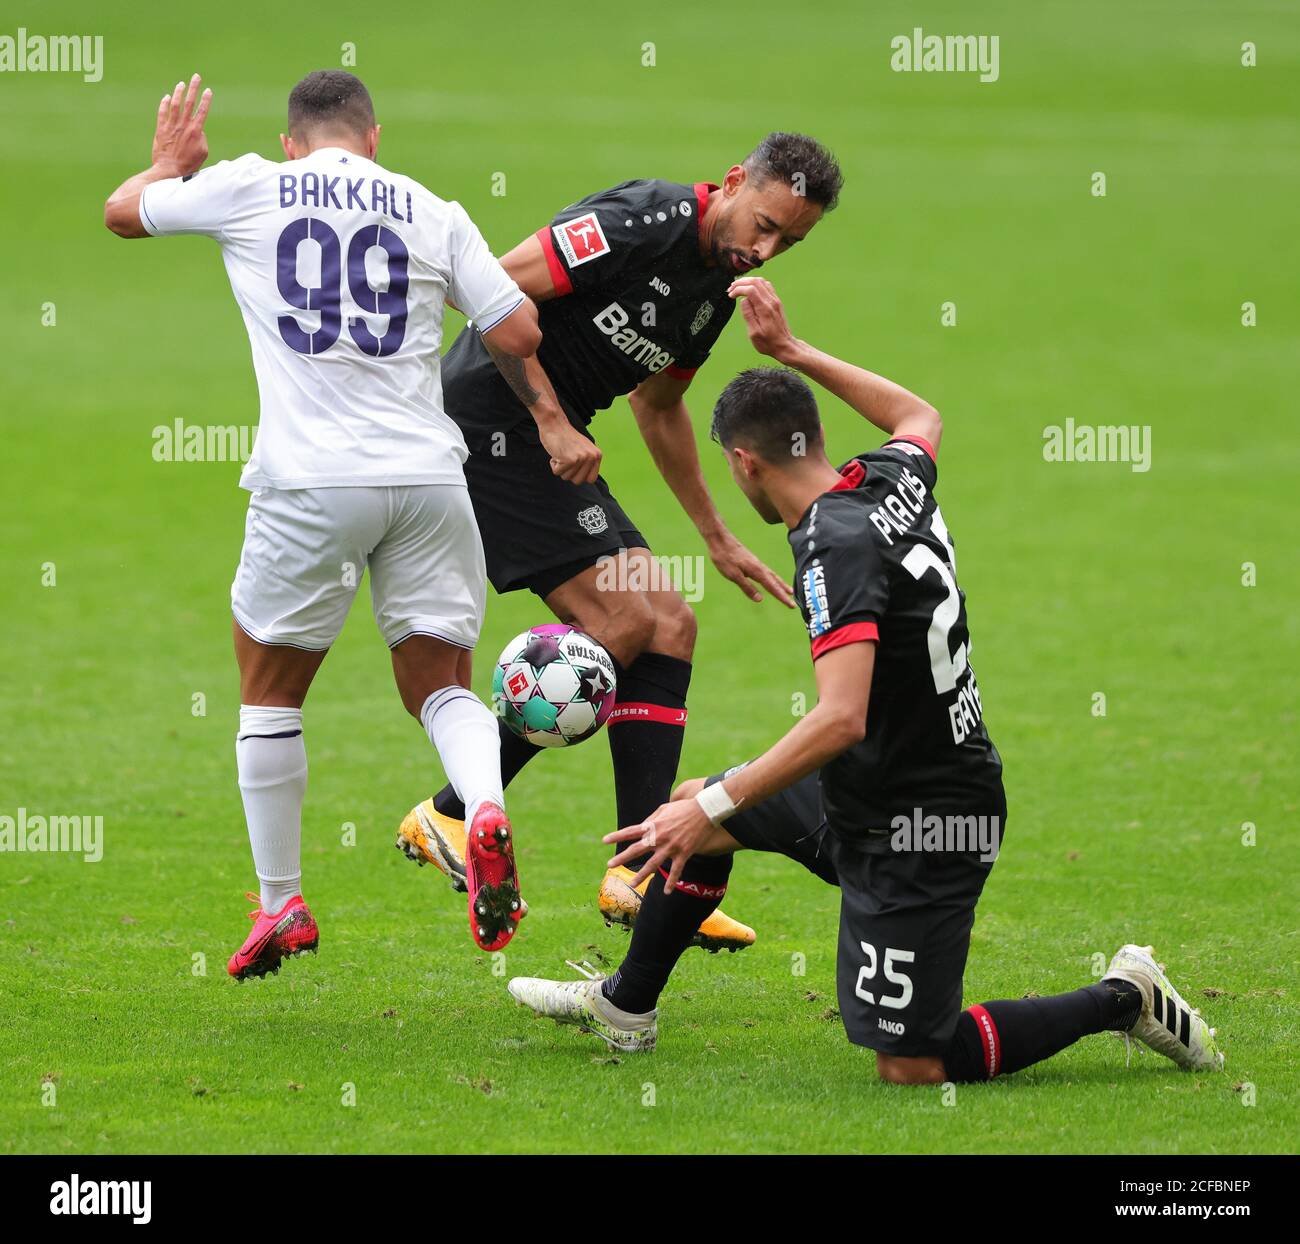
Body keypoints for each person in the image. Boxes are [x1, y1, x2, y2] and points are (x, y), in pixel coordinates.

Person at [508, 278, 1225, 1085]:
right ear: (810, 440)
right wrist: (790, 349)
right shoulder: (885, 479)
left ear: (744, 463)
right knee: (687, 814)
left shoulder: (833, 550)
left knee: (913, 1064)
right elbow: (921, 416)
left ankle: (1123, 996)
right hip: (869, 783)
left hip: (926, 820)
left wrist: (722, 797)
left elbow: (841, 716)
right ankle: (626, 1005)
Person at [105, 70, 542, 974]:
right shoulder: (430, 206)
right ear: (374, 137)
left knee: (269, 691)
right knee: (438, 683)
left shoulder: (250, 182)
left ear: (295, 139)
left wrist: (162, 166)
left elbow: (121, 213)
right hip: (429, 478)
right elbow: (519, 330)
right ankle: (485, 808)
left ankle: (282, 905)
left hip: (310, 484)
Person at [396, 134, 844, 955]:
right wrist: (551, 417)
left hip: (546, 441)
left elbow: (660, 406)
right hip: (486, 424)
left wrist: (717, 537)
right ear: (736, 180)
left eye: (790, 242)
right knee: (625, 624)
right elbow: (490, 291)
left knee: (670, 622)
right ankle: (452, 812)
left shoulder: (716, 290)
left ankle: (637, 868)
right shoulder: (643, 219)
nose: (767, 248)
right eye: (767, 223)